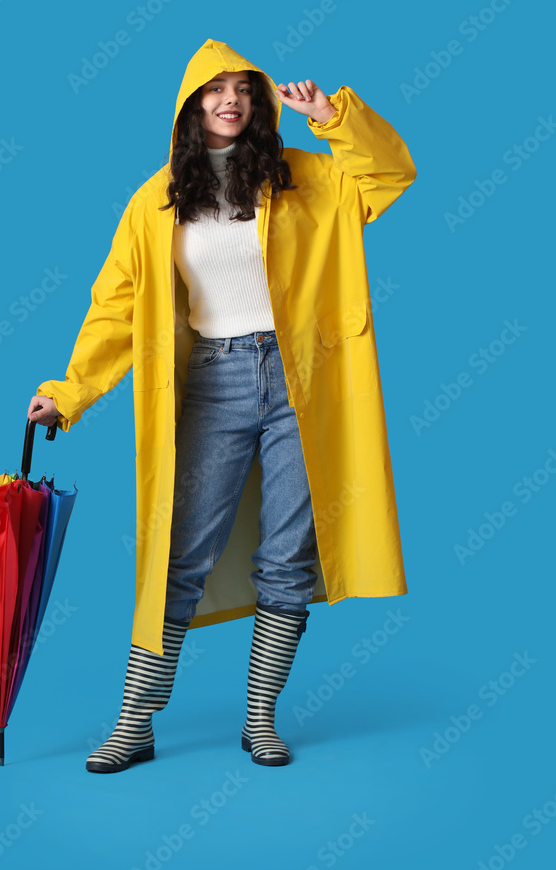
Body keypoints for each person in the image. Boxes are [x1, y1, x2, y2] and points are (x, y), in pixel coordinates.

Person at [27, 38, 417, 774]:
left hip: (304, 381)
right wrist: (68, 390)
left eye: (241, 88)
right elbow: (116, 307)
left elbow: (389, 173)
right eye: (213, 90)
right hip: (213, 379)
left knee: (288, 557)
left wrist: (333, 119)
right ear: (190, 106)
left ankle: (260, 720)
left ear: (260, 99)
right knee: (178, 556)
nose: (228, 99)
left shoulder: (306, 178)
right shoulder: (154, 201)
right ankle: (134, 723)